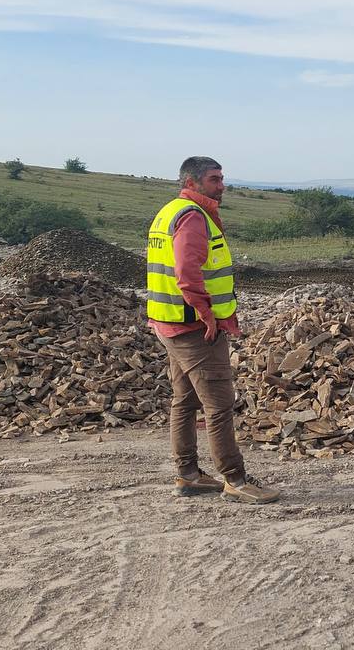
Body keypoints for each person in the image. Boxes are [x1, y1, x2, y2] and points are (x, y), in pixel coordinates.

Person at [146, 156, 279, 504]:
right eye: (214, 179)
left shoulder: (170, 211)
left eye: (222, 179)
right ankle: (234, 479)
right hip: (193, 327)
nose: (222, 186)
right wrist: (206, 314)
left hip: (168, 322)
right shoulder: (192, 217)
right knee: (218, 405)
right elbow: (187, 272)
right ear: (192, 182)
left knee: (185, 400)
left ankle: (188, 475)